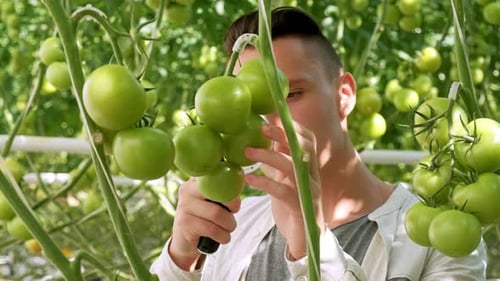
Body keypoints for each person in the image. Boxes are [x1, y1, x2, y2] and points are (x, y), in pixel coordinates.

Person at [150, 6, 487, 281]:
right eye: (250, 105)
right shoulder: (231, 225)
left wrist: (312, 243)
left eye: (290, 94)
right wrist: (180, 261)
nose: (269, 117)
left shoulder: (436, 239)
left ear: (344, 94)